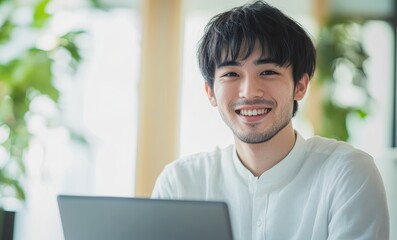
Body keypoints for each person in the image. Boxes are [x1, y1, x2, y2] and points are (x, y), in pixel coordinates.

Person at [151, 1, 389, 240]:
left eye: (268, 72)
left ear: (300, 86)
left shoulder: (347, 175)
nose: (249, 92)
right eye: (231, 74)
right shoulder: (180, 184)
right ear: (210, 92)